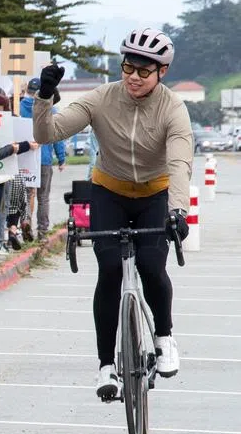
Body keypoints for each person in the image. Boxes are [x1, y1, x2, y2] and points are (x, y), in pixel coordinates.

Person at [33, 29, 192, 398]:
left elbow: (180, 162)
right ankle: (106, 367)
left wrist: (178, 211)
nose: (134, 76)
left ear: (162, 72)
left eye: (144, 70)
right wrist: (43, 96)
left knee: (152, 266)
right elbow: (48, 134)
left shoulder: (173, 109)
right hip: (109, 192)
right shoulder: (101, 98)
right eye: (128, 67)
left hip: (155, 193)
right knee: (108, 272)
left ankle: (165, 338)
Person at [20, 78, 67, 240]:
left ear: (28, 90)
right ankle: (42, 232)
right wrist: (61, 158)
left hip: (25, 157)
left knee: (26, 195)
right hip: (45, 158)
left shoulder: (19, 107)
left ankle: (25, 223)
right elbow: (57, 135)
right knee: (43, 197)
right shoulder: (50, 110)